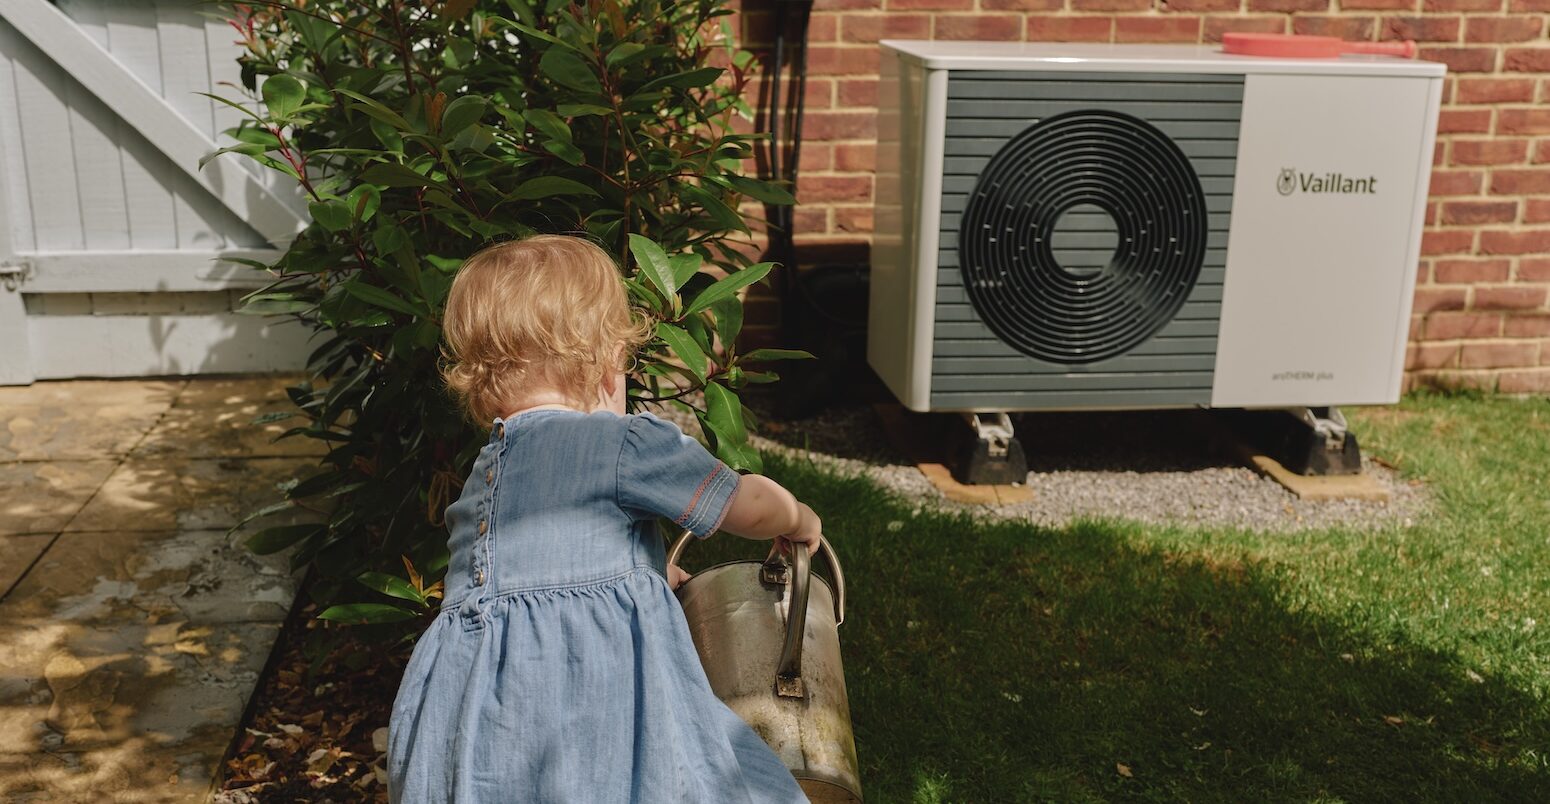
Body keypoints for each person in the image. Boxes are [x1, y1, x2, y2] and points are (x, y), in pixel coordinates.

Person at [388, 234, 820, 803]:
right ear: (603, 362)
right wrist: (796, 516)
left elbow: (535, 572)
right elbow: (746, 505)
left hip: (481, 713)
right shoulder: (623, 443)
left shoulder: (487, 470)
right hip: (589, 701)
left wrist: (640, 572)